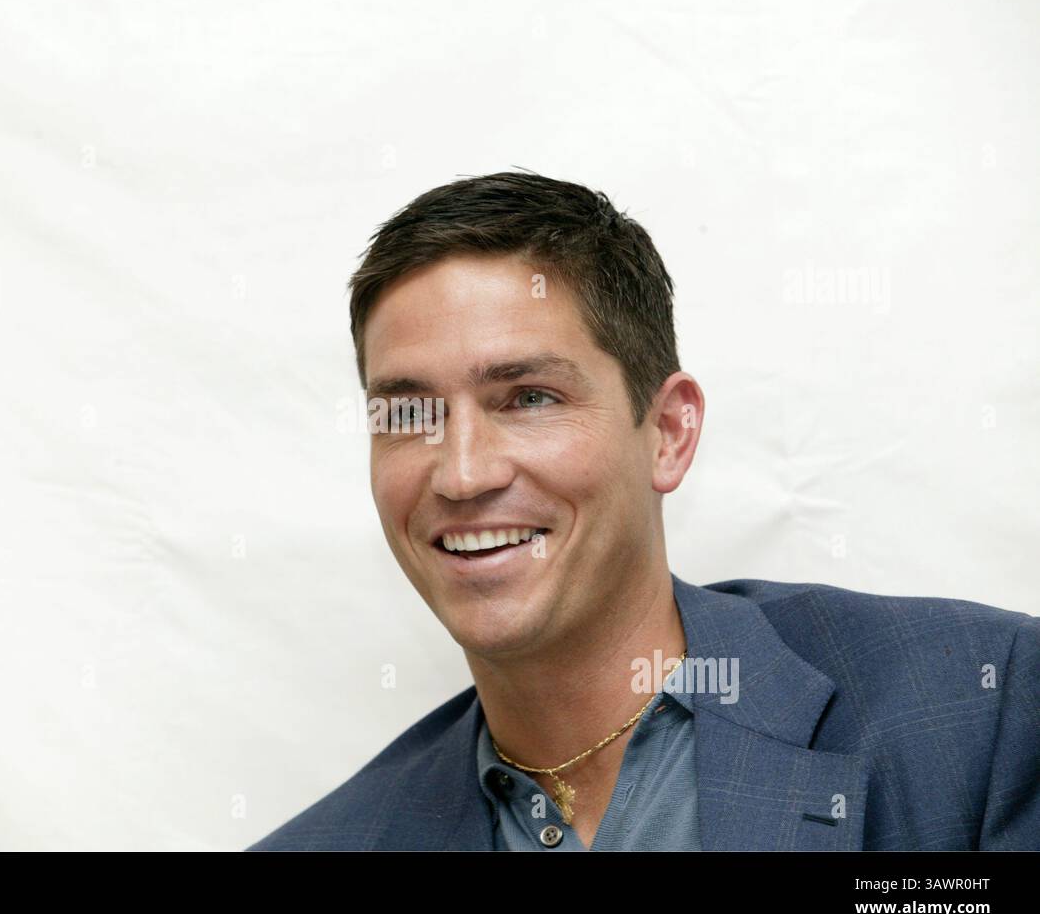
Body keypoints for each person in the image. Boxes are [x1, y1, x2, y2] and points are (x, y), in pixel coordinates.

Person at [247, 171, 1038, 851]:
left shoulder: (978, 711)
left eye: (528, 397)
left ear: (667, 432)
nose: (461, 473)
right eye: (410, 414)